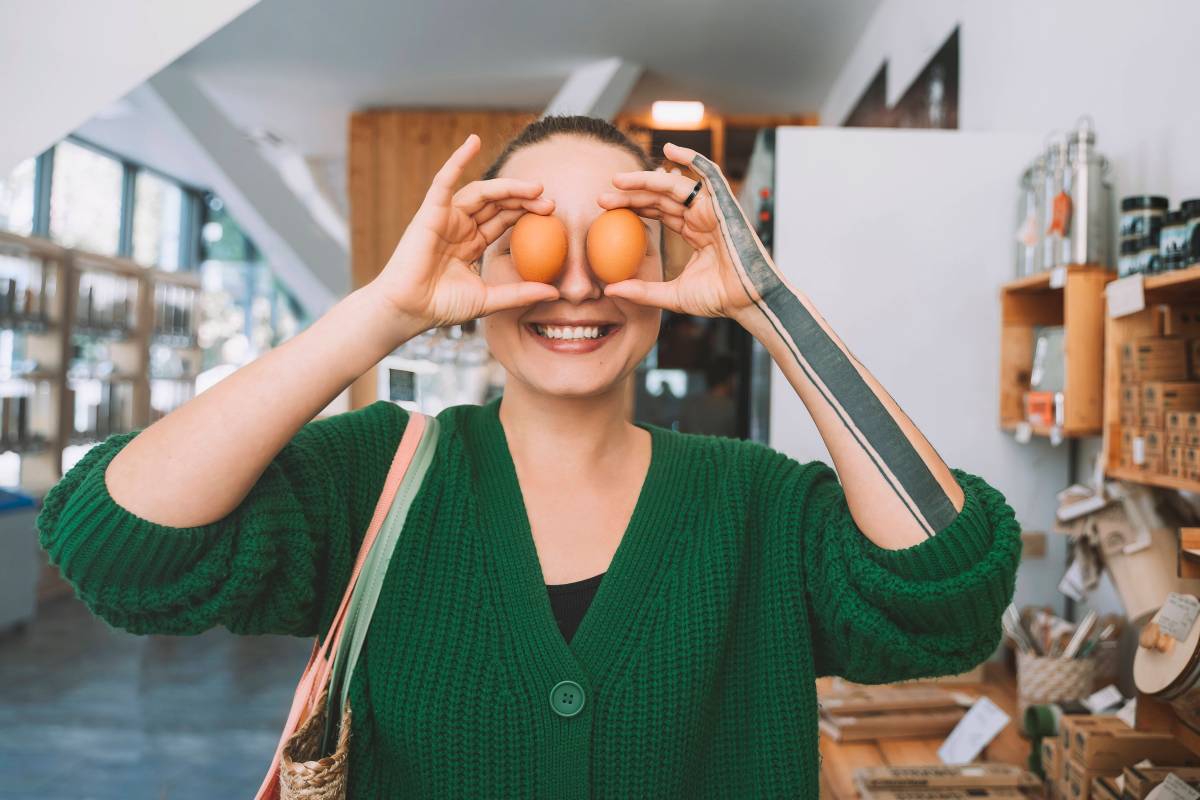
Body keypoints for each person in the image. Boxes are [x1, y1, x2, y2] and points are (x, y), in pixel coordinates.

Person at [36, 115, 1022, 798]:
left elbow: (949, 594)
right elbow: (118, 549)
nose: (580, 279)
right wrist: (380, 311)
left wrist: (773, 304)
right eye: (537, 239)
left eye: (621, 238)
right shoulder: (379, 475)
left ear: (667, 272)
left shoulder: (758, 505)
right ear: (477, 265)